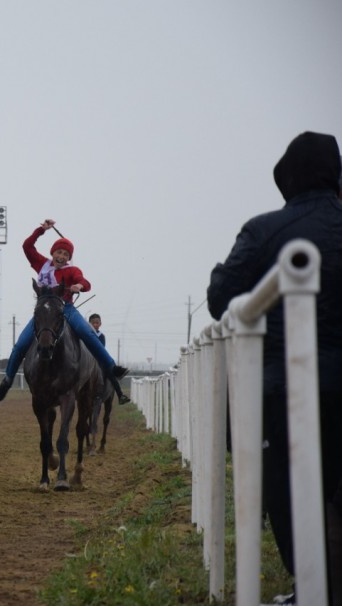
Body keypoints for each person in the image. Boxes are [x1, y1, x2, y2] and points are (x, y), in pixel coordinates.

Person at [207, 131, 342, 606]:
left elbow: (218, 299)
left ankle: (310, 586)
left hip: (282, 391)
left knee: (285, 491)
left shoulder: (264, 230)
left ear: (287, 178)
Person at [0, 220, 130, 405]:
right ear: (52, 253)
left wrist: (79, 285)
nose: (61, 256)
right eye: (59, 252)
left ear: (69, 258)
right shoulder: (42, 264)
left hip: (66, 308)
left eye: (66, 254)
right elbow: (27, 247)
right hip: (44, 311)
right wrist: (41, 230)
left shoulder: (72, 270)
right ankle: (8, 379)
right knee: (20, 345)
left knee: (88, 334)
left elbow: (86, 283)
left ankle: (112, 367)